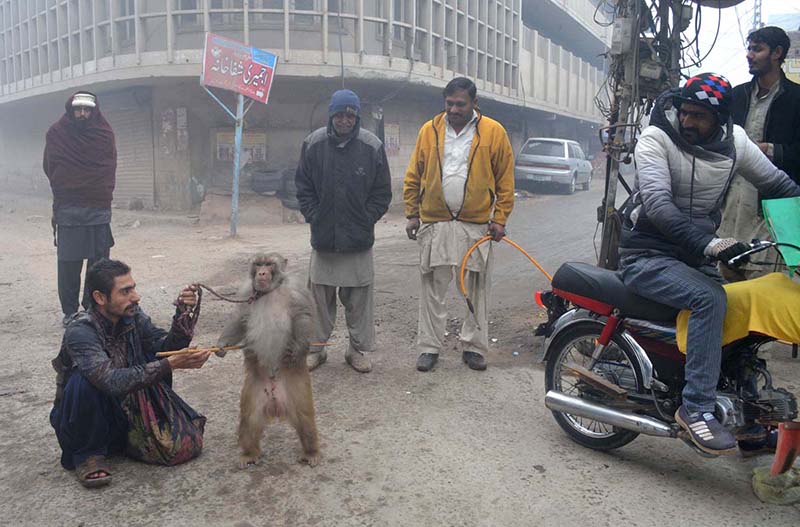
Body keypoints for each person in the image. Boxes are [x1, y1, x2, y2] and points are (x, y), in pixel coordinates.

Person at [618, 73, 800, 455]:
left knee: (739, 311)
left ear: (720, 118)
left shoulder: (735, 144)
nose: (688, 122)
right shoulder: (656, 139)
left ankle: (743, 411)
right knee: (710, 300)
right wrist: (712, 244)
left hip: (693, 256)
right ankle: (696, 408)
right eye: (685, 112)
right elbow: (658, 206)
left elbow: (780, 186)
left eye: (698, 116)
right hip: (647, 255)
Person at [50, 259, 211, 488]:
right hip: (83, 422)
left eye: (133, 288)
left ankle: (123, 439)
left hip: (123, 411)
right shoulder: (81, 330)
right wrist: (170, 365)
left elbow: (164, 348)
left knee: (153, 358)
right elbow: (110, 381)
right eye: (125, 291)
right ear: (100, 298)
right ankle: (88, 455)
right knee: (82, 382)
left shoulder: (132, 316)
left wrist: (182, 314)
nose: (136, 297)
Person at [403, 77, 514, 372]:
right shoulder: (430, 129)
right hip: (436, 222)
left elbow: (505, 180)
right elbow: (415, 173)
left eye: (460, 104)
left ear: (474, 103)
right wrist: (412, 213)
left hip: (475, 225)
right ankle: (429, 347)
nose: (453, 109)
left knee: (477, 288)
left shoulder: (494, 132)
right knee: (432, 289)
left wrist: (499, 218)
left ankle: (474, 348)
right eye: (449, 103)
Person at [295, 89, 392, 373]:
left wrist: (366, 218)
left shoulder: (372, 146)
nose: (345, 121)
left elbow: (382, 192)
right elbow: (303, 187)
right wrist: (315, 216)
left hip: (358, 241)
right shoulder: (313, 144)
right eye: (340, 115)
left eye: (350, 115)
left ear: (357, 117)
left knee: (359, 301)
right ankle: (317, 350)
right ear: (331, 116)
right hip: (324, 240)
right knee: (318, 301)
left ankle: (357, 350)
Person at [719, 26, 800, 280]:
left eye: (757, 49)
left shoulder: (796, 99)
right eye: (750, 48)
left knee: (763, 280)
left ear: (777, 53)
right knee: (726, 278)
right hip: (731, 204)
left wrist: (770, 150)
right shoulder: (736, 95)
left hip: (770, 211)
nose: (749, 55)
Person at [43, 92, 117, 327]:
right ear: (71, 110)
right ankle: (70, 312)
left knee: (99, 266)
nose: (83, 114)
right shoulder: (57, 134)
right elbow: (50, 166)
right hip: (69, 209)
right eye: (78, 110)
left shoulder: (104, 134)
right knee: (68, 264)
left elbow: (110, 165)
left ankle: (93, 308)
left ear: (94, 110)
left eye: (87, 109)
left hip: (97, 208)